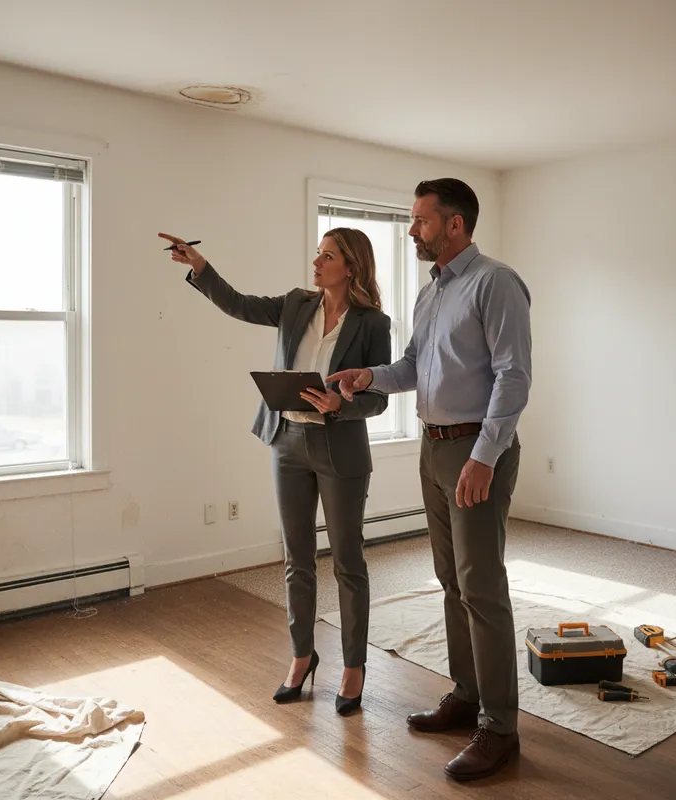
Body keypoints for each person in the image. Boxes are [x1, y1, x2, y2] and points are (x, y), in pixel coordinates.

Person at [327, 178, 531, 780]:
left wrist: (485, 457)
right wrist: (369, 376)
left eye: (420, 220)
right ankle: (467, 696)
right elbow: (415, 366)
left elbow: (513, 378)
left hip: (475, 449)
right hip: (433, 447)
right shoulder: (430, 293)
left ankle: (500, 727)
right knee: (450, 580)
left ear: (454, 225)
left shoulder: (495, 282)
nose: (412, 229)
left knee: (482, 587)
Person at [159, 228, 392, 715]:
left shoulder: (373, 323)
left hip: (339, 446)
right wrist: (199, 267)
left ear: (350, 266)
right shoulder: (294, 305)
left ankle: (353, 668)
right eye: (317, 253)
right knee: (297, 560)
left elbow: (378, 398)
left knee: (348, 563)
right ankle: (302, 657)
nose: (316, 262)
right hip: (286, 442)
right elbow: (240, 304)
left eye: (326, 256)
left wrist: (338, 404)